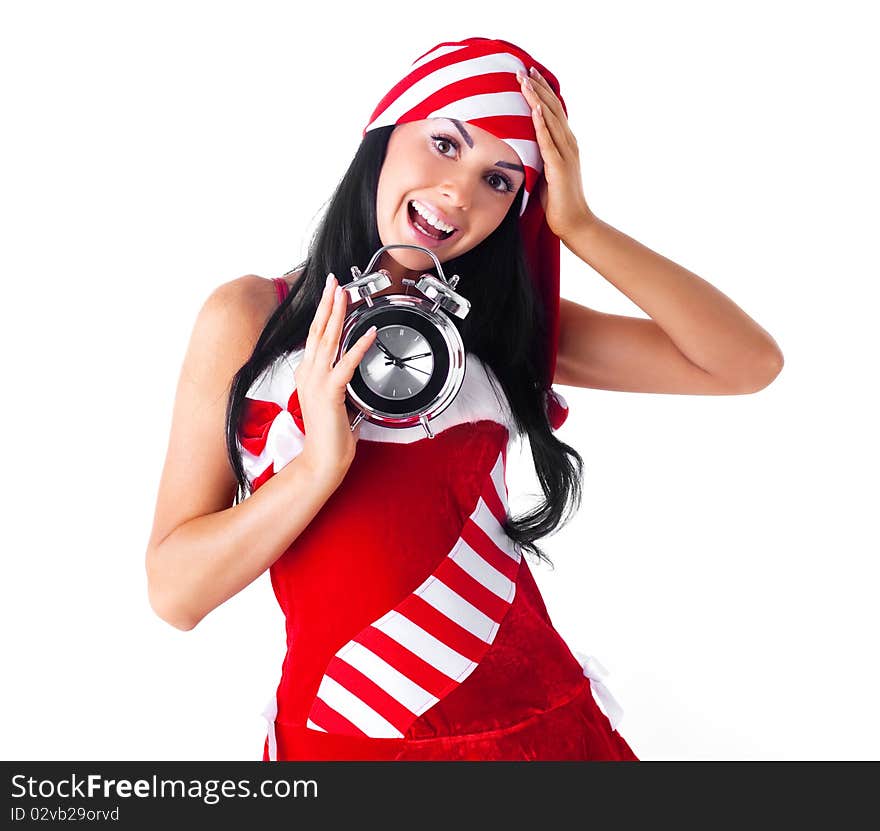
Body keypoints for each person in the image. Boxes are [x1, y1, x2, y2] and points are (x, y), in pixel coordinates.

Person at [145, 37, 783, 761]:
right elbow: (176, 593)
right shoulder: (252, 317)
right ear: (385, 133)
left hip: (535, 734)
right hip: (338, 739)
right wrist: (318, 467)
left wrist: (579, 226)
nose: (459, 191)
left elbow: (745, 362)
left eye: (501, 181)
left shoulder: (501, 324)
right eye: (444, 143)